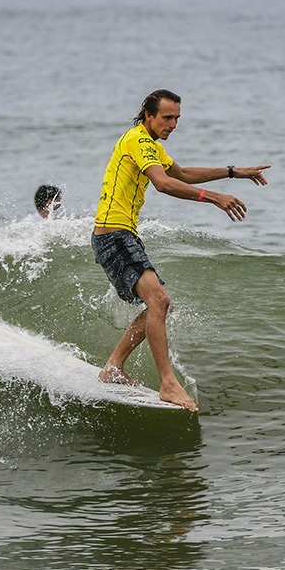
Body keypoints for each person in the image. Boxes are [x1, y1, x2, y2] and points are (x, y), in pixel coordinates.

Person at [92, 89, 270, 412]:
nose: (173, 124)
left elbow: (183, 174)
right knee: (158, 300)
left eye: (177, 118)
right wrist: (214, 198)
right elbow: (163, 183)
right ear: (148, 115)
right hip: (114, 234)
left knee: (160, 305)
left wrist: (233, 173)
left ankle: (113, 368)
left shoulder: (151, 145)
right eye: (167, 117)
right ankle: (168, 385)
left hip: (120, 234)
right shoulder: (138, 141)